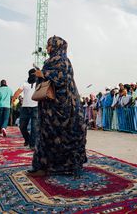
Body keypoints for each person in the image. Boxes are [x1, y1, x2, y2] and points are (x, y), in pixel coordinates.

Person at [28, 35, 87, 177]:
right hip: (49, 108)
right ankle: (42, 166)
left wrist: (44, 73)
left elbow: (64, 78)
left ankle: (71, 166)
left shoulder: (64, 61)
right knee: (46, 134)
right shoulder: (49, 61)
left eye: (49, 45)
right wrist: (38, 75)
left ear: (57, 46)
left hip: (65, 107)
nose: (47, 48)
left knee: (66, 134)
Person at [12, 69, 39, 148]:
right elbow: (18, 91)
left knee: (34, 127)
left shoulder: (39, 82)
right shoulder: (24, 83)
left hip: (36, 107)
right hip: (25, 107)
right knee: (22, 126)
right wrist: (13, 98)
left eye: (34, 74)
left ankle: (32, 144)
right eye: (32, 74)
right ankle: (27, 139)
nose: (33, 76)